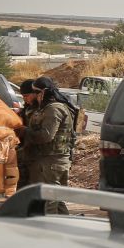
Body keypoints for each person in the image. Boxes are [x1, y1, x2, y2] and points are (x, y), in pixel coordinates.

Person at [22, 76, 79, 213]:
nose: (33, 97)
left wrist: (24, 132)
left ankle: (50, 232)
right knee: (56, 203)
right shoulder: (45, 109)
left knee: (49, 205)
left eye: (35, 93)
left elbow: (46, 135)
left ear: (42, 92)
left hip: (52, 163)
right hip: (47, 162)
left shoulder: (54, 109)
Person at [15, 79, 38, 189]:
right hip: (27, 151)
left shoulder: (45, 110)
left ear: (35, 94)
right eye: (23, 96)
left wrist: (24, 130)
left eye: (26, 96)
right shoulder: (28, 108)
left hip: (38, 155)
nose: (24, 99)